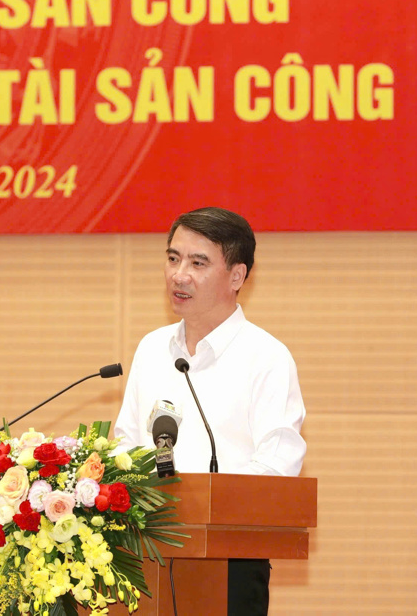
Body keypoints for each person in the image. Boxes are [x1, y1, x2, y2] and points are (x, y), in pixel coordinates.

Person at [113, 207, 306, 616]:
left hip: (230, 562)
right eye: (172, 258)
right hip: (145, 554)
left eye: (198, 263)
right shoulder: (152, 349)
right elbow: (125, 443)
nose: (179, 274)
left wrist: (202, 501)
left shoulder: (266, 357)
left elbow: (279, 466)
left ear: (236, 276)